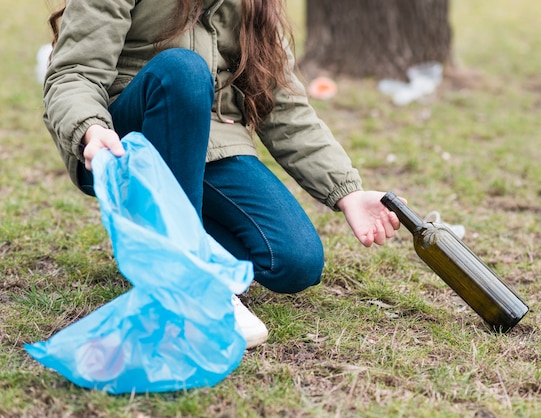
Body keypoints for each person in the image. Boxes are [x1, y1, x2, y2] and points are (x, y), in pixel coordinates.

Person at [43, 0, 402, 349]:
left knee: (296, 261)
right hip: (122, 141)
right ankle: (191, 280)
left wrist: (347, 191)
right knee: (183, 69)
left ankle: (155, 236)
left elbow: (284, 106)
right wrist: (90, 127)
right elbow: (74, 73)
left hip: (214, 140)